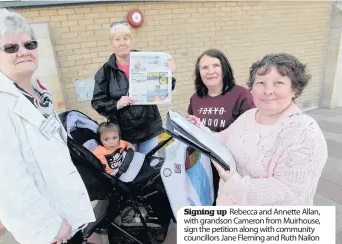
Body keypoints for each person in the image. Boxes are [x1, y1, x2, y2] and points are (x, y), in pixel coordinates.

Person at [0, 8, 95, 244]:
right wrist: (51, 226)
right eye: (11, 48)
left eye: (29, 44)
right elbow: (9, 183)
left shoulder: (35, 89)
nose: (23, 52)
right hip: (48, 228)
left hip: (66, 213)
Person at [189, 53, 328, 205]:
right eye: (261, 83)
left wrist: (233, 182)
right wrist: (200, 130)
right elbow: (223, 138)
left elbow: (287, 193)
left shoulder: (304, 133)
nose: (267, 91)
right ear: (252, 88)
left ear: (295, 89)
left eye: (278, 83)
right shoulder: (249, 115)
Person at [91, 21, 176, 154]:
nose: (122, 42)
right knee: (131, 170)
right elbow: (97, 102)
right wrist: (117, 104)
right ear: (112, 43)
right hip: (123, 133)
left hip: (148, 128)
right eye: (117, 39)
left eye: (126, 38)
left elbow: (164, 89)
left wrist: (168, 73)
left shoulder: (147, 61)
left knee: (150, 167)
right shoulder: (105, 72)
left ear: (131, 40)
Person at [187, 49, 255, 132]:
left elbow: (251, 130)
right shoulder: (195, 98)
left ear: (224, 68)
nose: (211, 72)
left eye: (216, 66)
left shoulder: (242, 95)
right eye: (204, 67)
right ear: (199, 73)